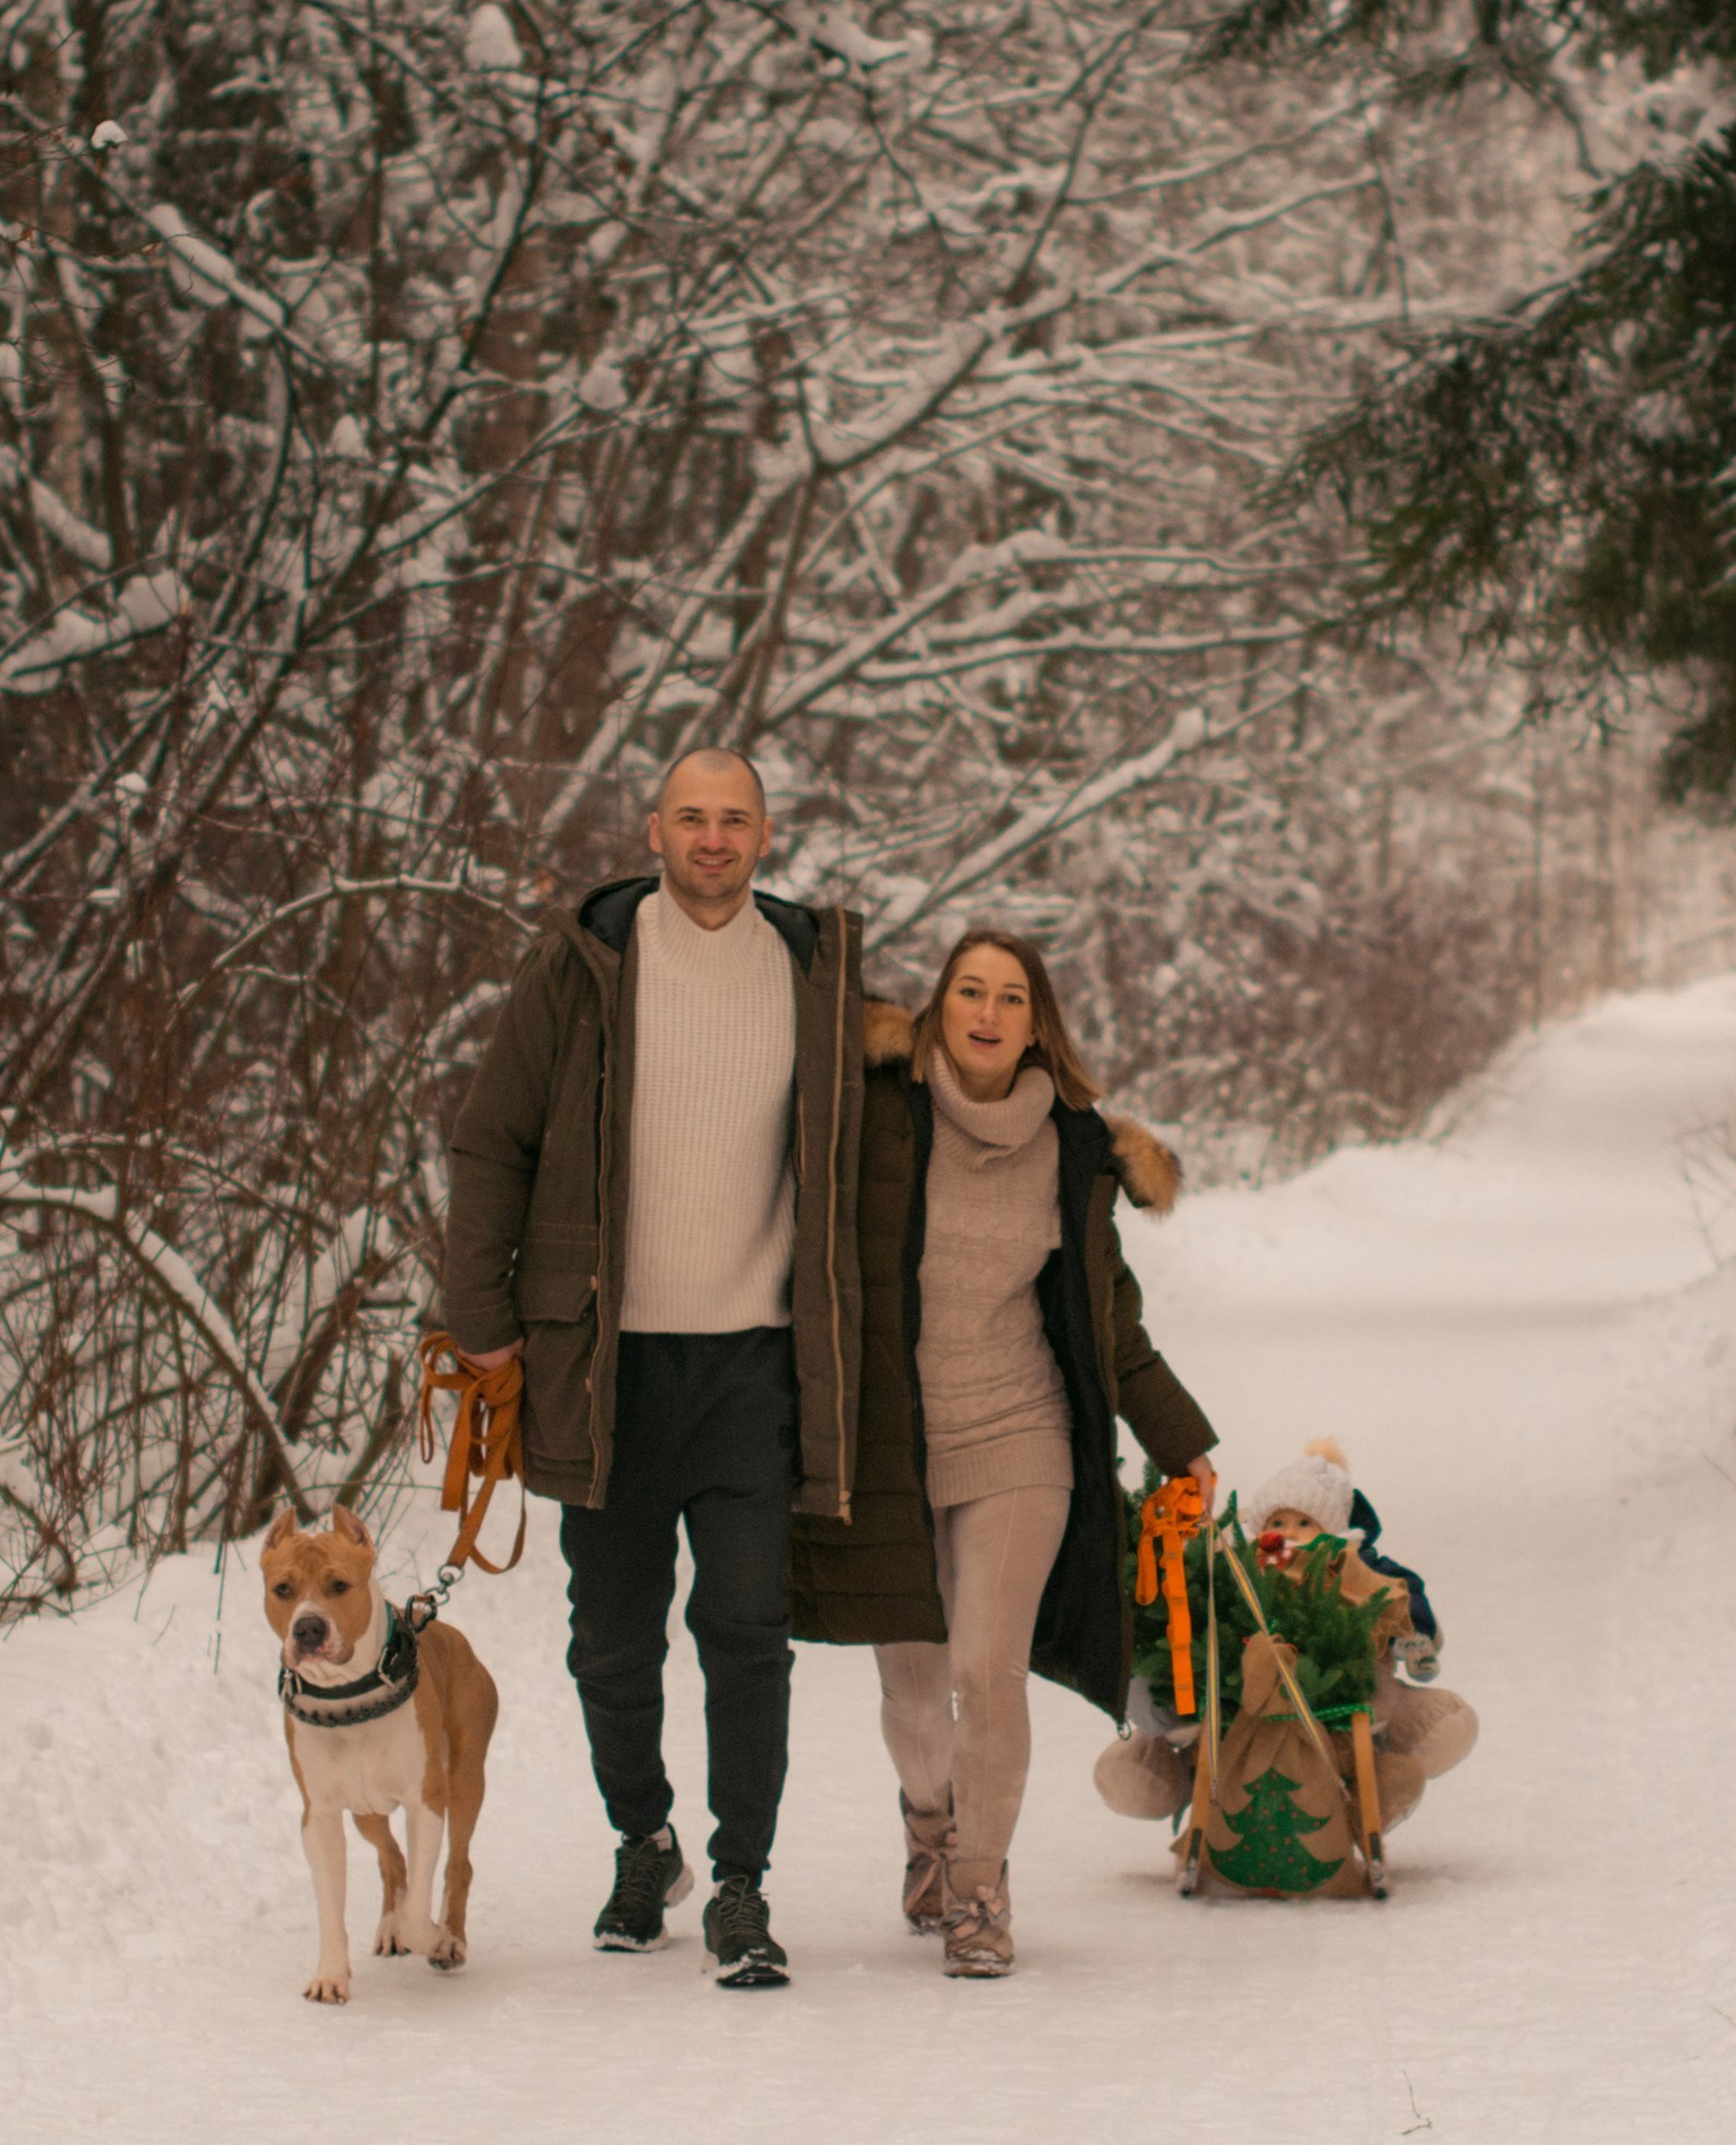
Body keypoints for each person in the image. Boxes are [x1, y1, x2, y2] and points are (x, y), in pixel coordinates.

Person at [439, 749, 863, 1988]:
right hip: (599, 1364)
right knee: (611, 1641)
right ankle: (645, 1844)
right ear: (654, 830)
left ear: (768, 834)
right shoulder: (585, 968)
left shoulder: (815, 973)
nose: (714, 839)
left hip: (752, 1365)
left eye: (736, 819)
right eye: (693, 818)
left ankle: (740, 1886)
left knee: (747, 1630)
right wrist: (481, 1316)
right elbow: (490, 1140)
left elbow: (869, 1148)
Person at [788, 928, 1215, 1978]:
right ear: (937, 1009)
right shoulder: (879, 1115)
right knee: (914, 1685)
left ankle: (979, 1888)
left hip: (1020, 1430)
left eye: (1011, 997)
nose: (987, 1012)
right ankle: (928, 1827)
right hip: (894, 1439)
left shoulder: (1075, 1149)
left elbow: (1108, 1320)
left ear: (1039, 1023)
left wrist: (1181, 1439)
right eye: (969, 991)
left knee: (987, 1667)